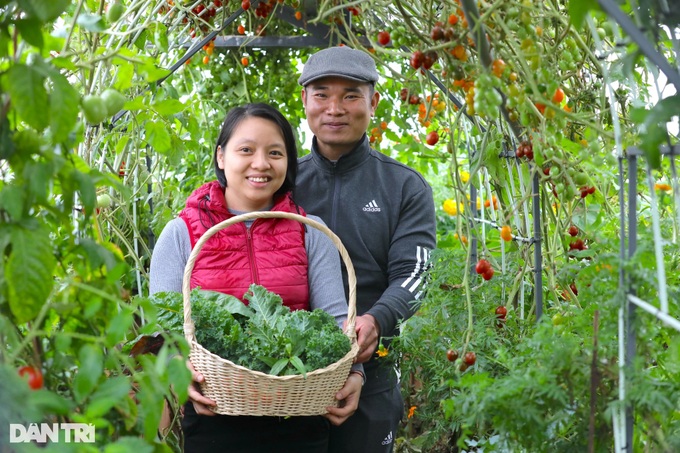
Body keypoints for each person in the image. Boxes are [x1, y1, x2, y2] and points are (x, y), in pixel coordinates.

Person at [149, 103, 364, 452]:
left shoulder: (312, 232)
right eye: (246, 150)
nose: (261, 164)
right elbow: (161, 329)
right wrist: (176, 367)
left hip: (299, 416)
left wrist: (354, 374)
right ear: (221, 156)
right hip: (213, 416)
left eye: (275, 153)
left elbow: (338, 322)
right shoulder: (181, 233)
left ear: (289, 163)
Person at [295, 46, 438, 453]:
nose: (335, 108)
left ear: (373, 101)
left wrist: (378, 318)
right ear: (304, 100)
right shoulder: (282, 182)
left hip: (371, 376)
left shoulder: (403, 187)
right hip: (285, 375)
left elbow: (415, 272)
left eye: (351, 95)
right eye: (321, 94)